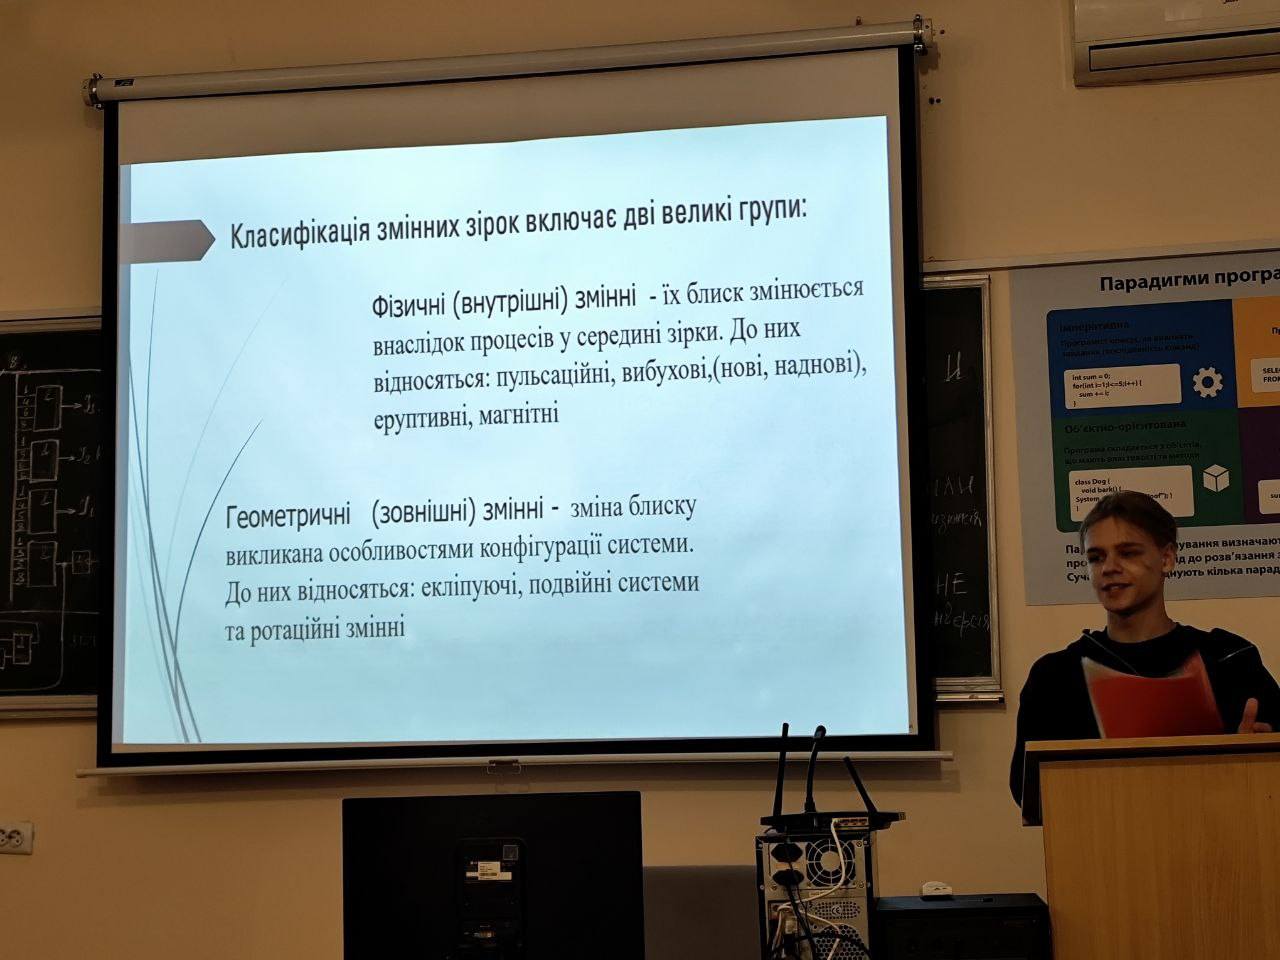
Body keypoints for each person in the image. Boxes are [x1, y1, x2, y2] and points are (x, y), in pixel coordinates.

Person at [1009, 490, 1279, 807]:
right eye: (1096, 558)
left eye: (1128, 553)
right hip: (1102, 836)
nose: (1109, 567)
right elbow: (1029, 795)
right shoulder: (1055, 678)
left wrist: (1256, 758)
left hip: (1219, 832)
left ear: (1167, 558)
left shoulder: (1229, 660)